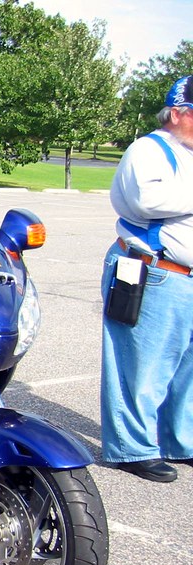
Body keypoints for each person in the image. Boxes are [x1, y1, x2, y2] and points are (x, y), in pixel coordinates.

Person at [100, 75, 193, 482]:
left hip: (184, 277)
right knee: (141, 365)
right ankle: (132, 449)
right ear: (177, 113)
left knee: (186, 369)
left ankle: (181, 441)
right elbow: (146, 200)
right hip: (154, 271)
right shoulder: (149, 150)